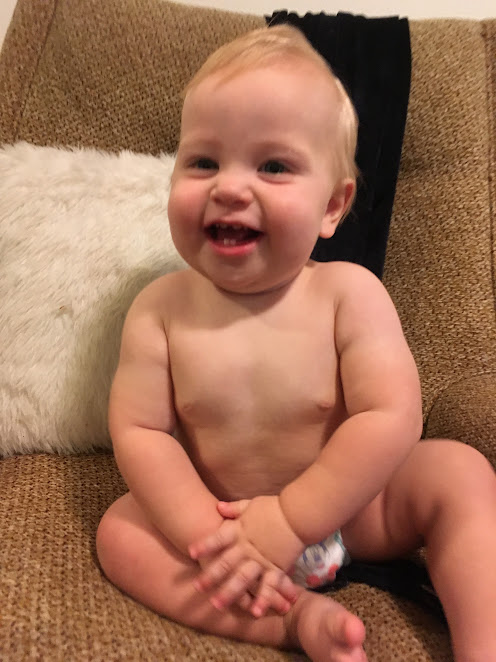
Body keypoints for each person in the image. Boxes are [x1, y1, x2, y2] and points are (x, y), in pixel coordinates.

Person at [96, 25, 496, 662]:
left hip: (355, 512)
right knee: (121, 532)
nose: (230, 187)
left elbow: (392, 416)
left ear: (332, 206)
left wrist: (289, 521)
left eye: (273, 166)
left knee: (460, 472)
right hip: (224, 523)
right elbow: (141, 433)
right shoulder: (158, 310)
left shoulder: (349, 294)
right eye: (203, 162)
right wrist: (215, 538)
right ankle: (291, 622)